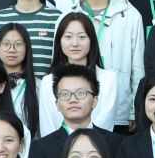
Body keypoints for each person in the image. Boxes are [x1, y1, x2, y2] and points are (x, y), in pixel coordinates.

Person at [67, 0, 147, 129]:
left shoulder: (130, 15)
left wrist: (134, 111)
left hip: (119, 112)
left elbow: (138, 68)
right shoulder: (69, 17)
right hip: (76, 110)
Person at [36, 10, 121, 138]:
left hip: (96, 147)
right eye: (68, 37)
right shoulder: (48, 81)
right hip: (56, 148)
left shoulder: (109, 79)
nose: (75, 43)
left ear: (91, 40)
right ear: (59, 41)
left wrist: (82, 147)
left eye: (82, 37)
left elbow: (104, 126)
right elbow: (47, 127)